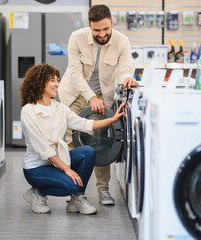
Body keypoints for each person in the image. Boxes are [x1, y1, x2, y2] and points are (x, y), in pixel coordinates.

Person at [57, 4, 139, 205]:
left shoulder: (122, 41)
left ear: (111, 23)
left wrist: (128, 78)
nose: (102, 34)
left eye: (105, 29)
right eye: (97, 30)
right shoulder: (76, 38)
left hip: (103, 95)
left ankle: (103, 190)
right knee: (71, 140)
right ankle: (74, 190)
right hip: (74, 95)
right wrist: (91, 97)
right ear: (89, 26)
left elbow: (124, 69)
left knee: (103, 141)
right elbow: (75, 73)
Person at [20, 64, 126, 215]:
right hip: (36, 169)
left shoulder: (59, 108)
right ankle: (36, 193)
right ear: (40, 82)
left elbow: (84, 124)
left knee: (88, 151)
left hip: (56, 162)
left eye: (58, 80)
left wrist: (113, 120)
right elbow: (44, 149)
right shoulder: (28, 111)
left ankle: (77, 199)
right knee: (70, 185)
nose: (57, 84)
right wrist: (67, 170)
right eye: (52, 80)